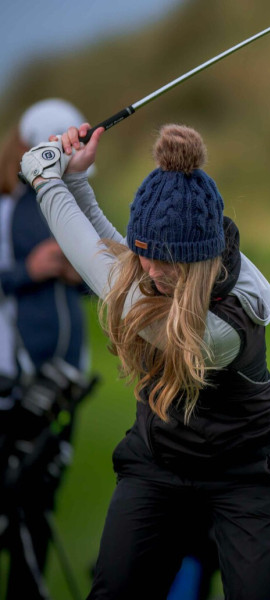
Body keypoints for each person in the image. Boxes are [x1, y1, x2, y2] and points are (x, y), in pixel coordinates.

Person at [19, 122, 270, 599]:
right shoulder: (159, 266)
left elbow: (103, 274)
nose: (151, 271)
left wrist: (46, 181)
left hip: (252, 470)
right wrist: (75, 179)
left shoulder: (224, 327)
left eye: (165, 263)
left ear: (198, 261)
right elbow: (118, 254)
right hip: (161, 462)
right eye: (146, 256)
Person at [0, 98, 91, 600]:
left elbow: (94, 287)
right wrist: (26, 272)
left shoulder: (67, 204)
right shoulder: (6, 211)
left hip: (63, 381)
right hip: (13, 382)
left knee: (39, 511)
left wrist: (79, 273)